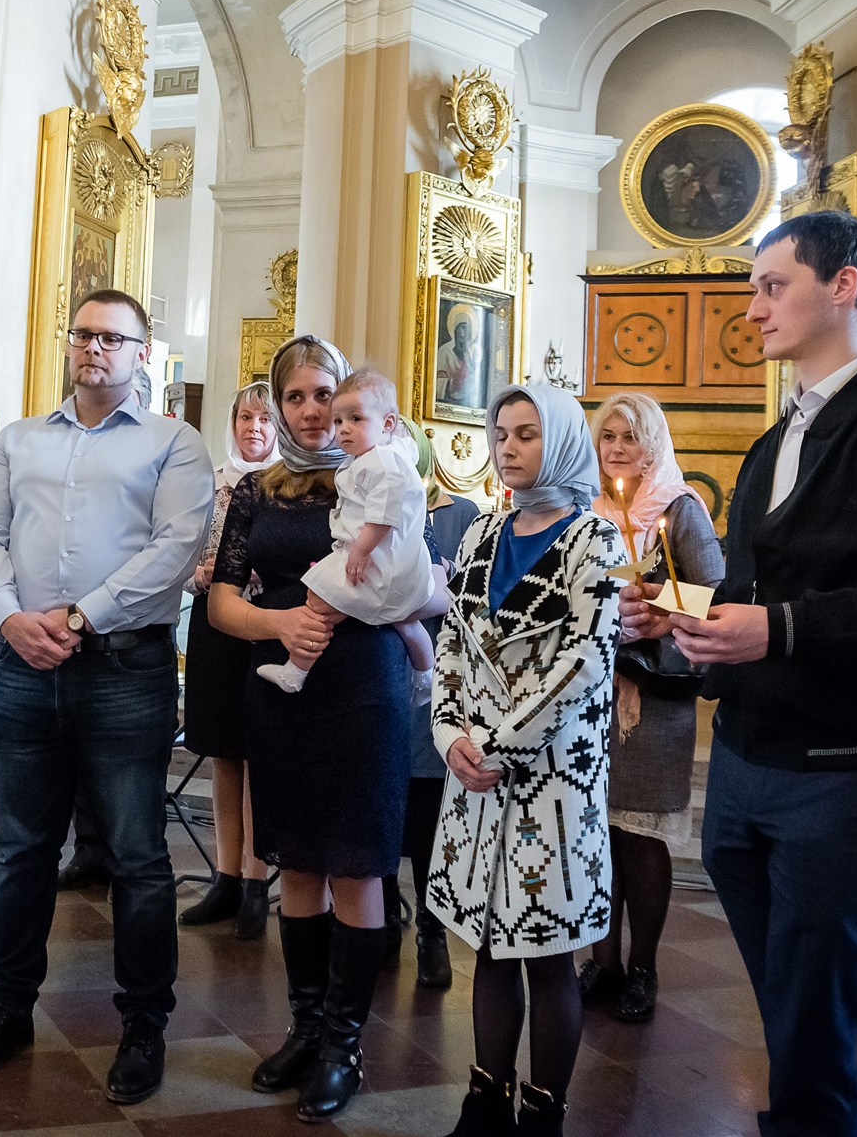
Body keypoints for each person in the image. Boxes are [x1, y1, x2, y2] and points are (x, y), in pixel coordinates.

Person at [624, 209, 857, 1137]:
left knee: (816, 1036)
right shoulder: (771, 445)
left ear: (844, 287)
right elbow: (749, 598)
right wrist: (685, 624)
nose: (751, 309)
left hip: (854, 771)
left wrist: (783, 630)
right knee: (798, 1021)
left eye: (771, 286)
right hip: (752, 768)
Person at [0, 289, 213, 1105]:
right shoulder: (20, 440)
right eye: (84, 334)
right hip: (23, 666)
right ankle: (5, 1008)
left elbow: (177, 548)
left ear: (143, 352)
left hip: (122, 671)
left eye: (114, 338)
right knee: (22, 851)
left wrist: (77, 614)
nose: (95, 348)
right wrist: (10, 617)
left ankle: (143, 1024)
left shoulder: (175, 443)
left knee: (136, 856)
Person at [207, 336, 448, 1123]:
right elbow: (219, 603)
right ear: (278, 406)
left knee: (355, 865)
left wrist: (401, 620)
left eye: (325, 394)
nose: (312, 411)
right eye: (297, 397)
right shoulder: (257, 492)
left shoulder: (384, 476)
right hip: (284, 682)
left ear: (351, 403)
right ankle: (304, 1028)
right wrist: (278, 624)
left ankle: (345, 1044)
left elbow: (426, 587)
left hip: (362, 685)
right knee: (297, 864)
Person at [427, 384, 626, 1137]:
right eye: (500, 433)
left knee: (545, 955)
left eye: (527, 435)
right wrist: (450, 738)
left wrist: (499, 747)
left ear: (565, 442)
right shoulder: (482, 532)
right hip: (474, 774)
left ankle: (544, 1112)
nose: (507, 448)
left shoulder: (595, 542)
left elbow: (581, 665)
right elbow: (450, 643)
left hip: (549, 783)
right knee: (487, 945)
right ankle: (484, 1103)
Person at [581, 392, 722, 1025]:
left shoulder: (679, 507)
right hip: (594, 690)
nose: (615, 448)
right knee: (598, 833)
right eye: (607, 437)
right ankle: (602, 962)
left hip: (655, 699)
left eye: (628, 438)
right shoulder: (590, 509)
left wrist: (657, 604)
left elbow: (718, 593)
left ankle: (644, 967)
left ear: (653, 444)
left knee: (640, 837)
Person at [256, 369, 435, 692]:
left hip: (376, 561)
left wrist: (361, 550)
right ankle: (425, 677)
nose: (344, 430)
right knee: (406, 622)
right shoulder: (375, 457)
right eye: (338, 421)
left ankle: (296, 670)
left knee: (318, 602)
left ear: (387, 424)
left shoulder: (382, 461)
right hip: (378, 560)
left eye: (356, 419)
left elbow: (384, 513)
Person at [179, 381, 281, 938]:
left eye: (265, 419)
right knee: (222, 750)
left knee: (258, 751)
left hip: (266, 628)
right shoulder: (209, 483)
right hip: (216, 625)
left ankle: (255, 882)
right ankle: (223, 873)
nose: (255, 427)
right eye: (245, 416)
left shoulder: (288, 486)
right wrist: (202, 571)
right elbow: (186, 551)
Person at [396, 422, 480, 990]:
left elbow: (473, 600)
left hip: (435, 684)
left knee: (425, 813)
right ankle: (377, 920)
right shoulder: (361, 509)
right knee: (378, 806)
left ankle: (430, 929)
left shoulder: (461, 514)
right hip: (377, 679)